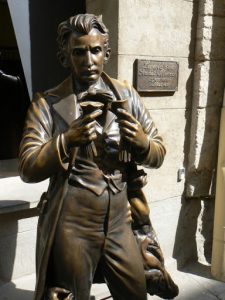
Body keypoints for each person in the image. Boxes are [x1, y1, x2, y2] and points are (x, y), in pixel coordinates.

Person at [19, 14, 176, 300]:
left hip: (120, 222)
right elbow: (28, 167)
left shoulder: (127, 96)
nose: (88, 60)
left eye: (95, 50)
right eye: (78, 52)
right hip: (72, 226)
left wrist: (142, 143)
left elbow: (158, 152)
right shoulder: (47, 103)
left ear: (106, 52)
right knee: (71, 295)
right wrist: (66, 141)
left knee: (135, 293)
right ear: (65, 56)